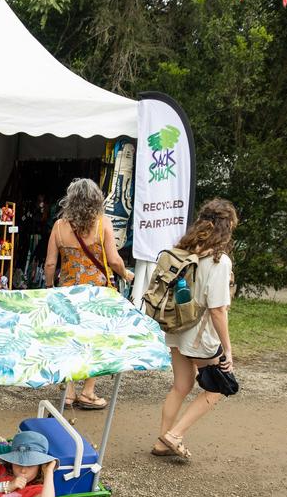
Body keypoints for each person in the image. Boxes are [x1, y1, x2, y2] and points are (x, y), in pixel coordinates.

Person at [153, 199, 238, 461]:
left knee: (181, 385)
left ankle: (163, 441)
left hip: (176, 327)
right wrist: (228, 350)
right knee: (221, 387)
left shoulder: (185, 249)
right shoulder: (218, 260)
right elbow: (217, 310)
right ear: (226, 227)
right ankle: (175, 435)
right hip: (199, 334)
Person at [43, 178, 134, 409]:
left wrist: (49, 287)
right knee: (95, 341)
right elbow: (113, 259)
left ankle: (70, 393)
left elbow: (50, 264)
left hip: (67, 294)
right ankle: (89, 392)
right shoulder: (103, 223)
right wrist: (125, 274)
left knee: (70, 341)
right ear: (96, 199)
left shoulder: (59, 227)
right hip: (96, 296)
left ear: (70, 199)